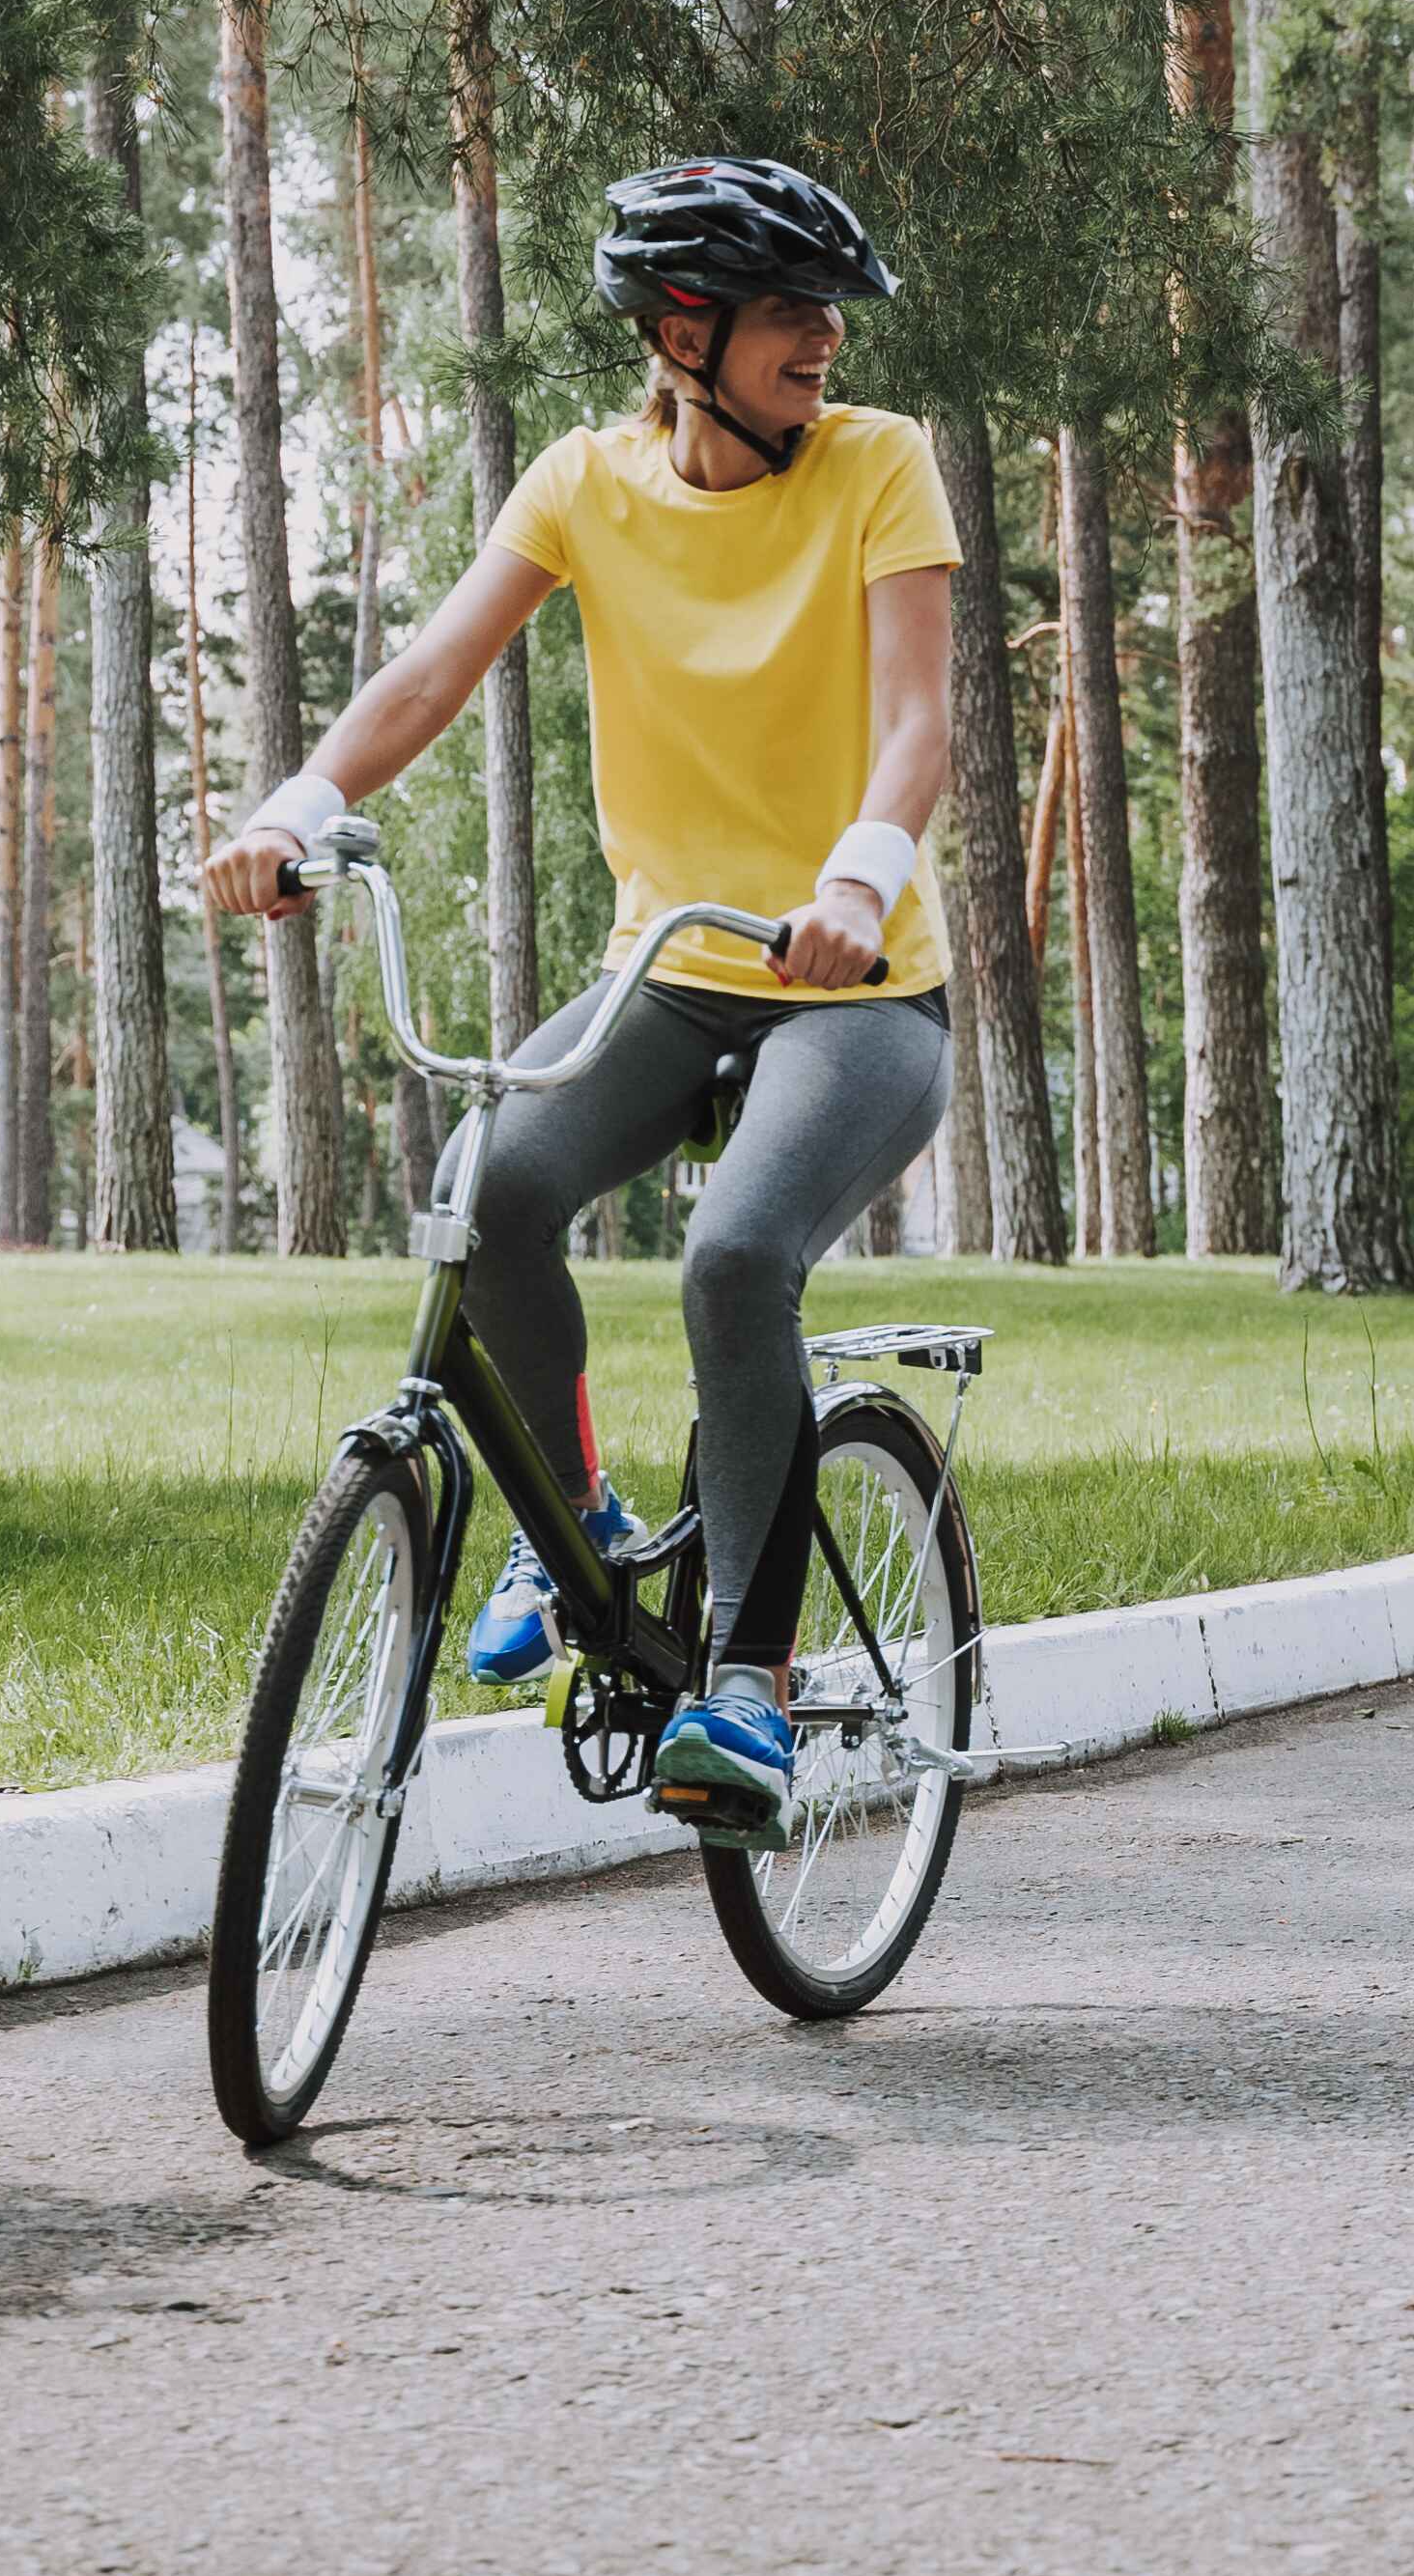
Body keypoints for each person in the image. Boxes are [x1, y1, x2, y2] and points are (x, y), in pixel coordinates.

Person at [204, 156, 957, 1838]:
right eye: (788, 313)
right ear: (683, 332)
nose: (826, 342)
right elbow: (430, 674)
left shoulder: (879, 468)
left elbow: (918, 726)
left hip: (856, 987)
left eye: (830, 313)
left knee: (737, 1256)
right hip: (668, 975)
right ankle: (590, 1537)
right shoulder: (584, 483)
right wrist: (292, 813)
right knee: (491, 1195)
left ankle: (748, 1687)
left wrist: (855, 882)